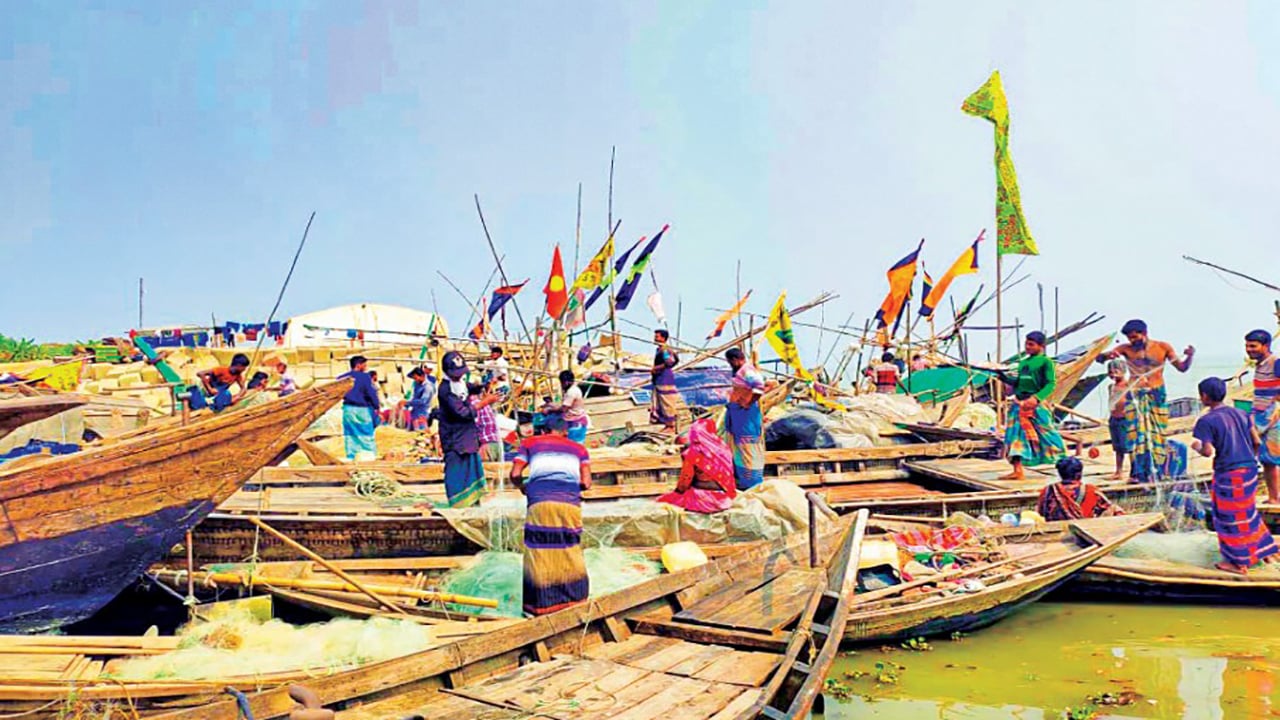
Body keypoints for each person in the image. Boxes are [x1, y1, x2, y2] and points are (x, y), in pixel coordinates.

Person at [1191, 376, 1278, 574]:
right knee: (1248, 511)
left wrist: (1196, 445)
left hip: (1229, 472)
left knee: (1229, 516)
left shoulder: (1206, 420)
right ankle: (1265, 551)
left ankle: (1238, 562)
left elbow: (1207, 451)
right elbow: (1256, 441)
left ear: (1204, 396)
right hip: (1250, 469)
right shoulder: (1241, 413)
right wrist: (1250, 459)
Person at [510, 411, 592, 616]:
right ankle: (574, 602)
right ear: (566, 433)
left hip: (539, 501)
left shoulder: (530, 443)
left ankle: (540, 607)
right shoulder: (579, 449)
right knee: (569, 548)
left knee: (539, 551)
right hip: (569, 504)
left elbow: (515, 473)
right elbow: (586, 483)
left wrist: (522, 487)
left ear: (544, 430)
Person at [1099, 319, 1194, 481]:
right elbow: (1100, 359)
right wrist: (1107, 355)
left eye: (1135, 337)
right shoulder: (1125, 349)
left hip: (1157, 393)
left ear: (1144, 333)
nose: (1132, 341)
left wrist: (1190, 356)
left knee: (1157, 433)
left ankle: (1159, 470)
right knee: (1136, 435)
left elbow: (1182, 368)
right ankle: (1137, 473)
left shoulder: (1163, 347)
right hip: (1135, 394)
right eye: (1129, 338)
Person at [999, 331, 1066, 480]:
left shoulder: (1045, 362)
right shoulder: (1023, 362)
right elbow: (1018, 382)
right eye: (1026, 344)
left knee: (1048, 434)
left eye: (1031, 344)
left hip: (1035, 405)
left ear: (1041, 346)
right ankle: (1017, 470)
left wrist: (1037, 398)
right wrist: (1002, 376)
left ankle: (1066, 465)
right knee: (1014, 437)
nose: (1027, 347)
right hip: (1018, 404)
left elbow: (1050, 384)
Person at [437, 351, 500, 507]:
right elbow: (463, 413)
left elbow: (470, 388)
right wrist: (484, 402)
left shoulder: (460, 384)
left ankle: (473, 501)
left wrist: (485, 386)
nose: (458, 377)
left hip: (467, 437)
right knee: (456, 472)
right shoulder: (445, 390)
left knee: (470, 469)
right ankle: (459, 503)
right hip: (454, 438)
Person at [657, 417, 736, 513]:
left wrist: (676, 493)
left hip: (704, 501)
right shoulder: (724, 449)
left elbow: (684, 482)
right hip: (725, 499)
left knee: (667, 501)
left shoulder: (693, 453)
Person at [723, 347, 766, 491]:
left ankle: (752, 482)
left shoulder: (747, 370)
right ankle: (744, 480)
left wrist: (748, 402)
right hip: (738, 415)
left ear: (735, 360)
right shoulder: (741, 371)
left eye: (730, 362)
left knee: (748, 448)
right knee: (740, 448)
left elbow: (759, 386)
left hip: (746, 416)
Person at [1246, 329, 1280, 500]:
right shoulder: (1260, 364)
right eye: (1247, 346)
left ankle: (1275, 498)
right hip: (1258, 416)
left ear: (1265, 346)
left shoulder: (1276, 362)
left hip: (1272, 416)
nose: (1249, 349)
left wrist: (1276, 404)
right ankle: (1273, 497)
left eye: (1253, 346)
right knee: (1266, 460)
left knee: (1272, 459)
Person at [1037, 457, 1122, 521]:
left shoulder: (1048, 490)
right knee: (1114, 508)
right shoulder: (1091, 490)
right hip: (1084, 531)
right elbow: (1108, 507)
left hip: (1055, 529)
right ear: (1079, 474)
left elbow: (1041, 512)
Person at [338, 355, 380, 460]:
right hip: (362, 409)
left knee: (350, 434)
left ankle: (351, 456)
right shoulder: (365, 377)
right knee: (366, 433)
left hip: (348, 409)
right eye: (364, 365)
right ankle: (369, 457)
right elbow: (371, 393)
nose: (366, 367)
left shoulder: (342, 378)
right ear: (358, 365)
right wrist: (376, 405)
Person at [1106, 358, 1133, 480]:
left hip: (1126, 419)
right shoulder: (1111, 387)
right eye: (1111, 372)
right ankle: (1119, 471)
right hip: (1114, 419)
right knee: (1118, 448)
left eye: (1116, 371)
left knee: (1130, 447)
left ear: (1123, 371)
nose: (1113, 374)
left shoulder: (1129, 385)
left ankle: (1134, 471)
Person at [650, 329, 682, 431]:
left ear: (663, 338)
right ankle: (666, 424)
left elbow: (670, 361)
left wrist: (656, 368)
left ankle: (670, 425)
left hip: (664, 379)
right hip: (659, 379)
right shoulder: (660, 349)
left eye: (657, 337)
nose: (655, 338)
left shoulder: (665, 350)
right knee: (661, 402)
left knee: (667, 402)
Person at [551, 370, 589, 445]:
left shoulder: (571, 392)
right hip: (575, 418)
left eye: (562, 382)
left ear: (566, 382)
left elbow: (563, 409)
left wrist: (551, 409)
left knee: (575, 445)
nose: (561, 385)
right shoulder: (574, 389)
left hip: (575, 421)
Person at [473, 383, 503, 463]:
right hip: (496, 442)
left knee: (485, 471)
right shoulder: (486, 405)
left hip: (486, 445)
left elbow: (475, 426)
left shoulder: (475, 404)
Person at [405, 366, 436, 431]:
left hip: (422, 415)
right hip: (415, 413)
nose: (415, 380)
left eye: (416, 378)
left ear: (422, 376)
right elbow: (414, 397)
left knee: (421, 434)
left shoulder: (428, 387)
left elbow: (423, 401)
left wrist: (408, 402)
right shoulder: (418, 384)